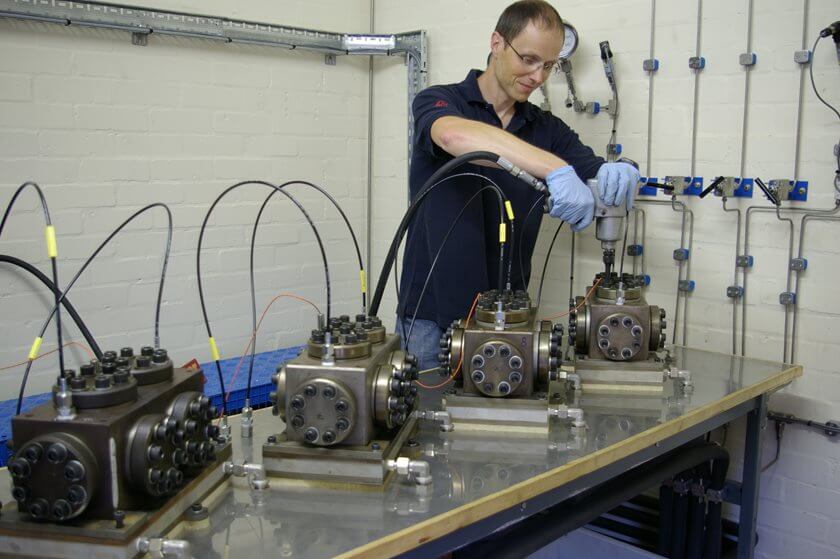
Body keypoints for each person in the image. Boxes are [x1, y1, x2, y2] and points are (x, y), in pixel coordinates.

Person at [396, 0, 639, 371]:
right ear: (497, 43)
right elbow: (455, 136)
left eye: (548, 65)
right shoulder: (442, 100)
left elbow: (593, 170)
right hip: (430, 318)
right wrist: (555, 169)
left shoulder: (547, 129)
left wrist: (619, 171)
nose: (538, 76)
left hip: (508, 318)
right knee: (424, 422)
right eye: (528, 59)